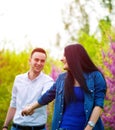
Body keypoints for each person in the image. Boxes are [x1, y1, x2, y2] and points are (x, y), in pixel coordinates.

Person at [21, 43, 107, 130]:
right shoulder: (62, 79)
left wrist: (89, 127)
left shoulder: (95, 76)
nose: (61, 59)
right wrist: (31, 107)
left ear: (74, 57)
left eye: (65, 56)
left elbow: (98, 104)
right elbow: (48, 95)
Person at [2, 47, 54, 130]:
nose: (39, 63)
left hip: (38, 128)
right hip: (16, 127)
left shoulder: (48, 81)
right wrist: (5, 126)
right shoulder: (18, 79)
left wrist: (32, 107)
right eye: (36, 60)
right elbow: (13, 104)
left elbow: (45, 98)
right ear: (30, 61)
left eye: (42, 61)